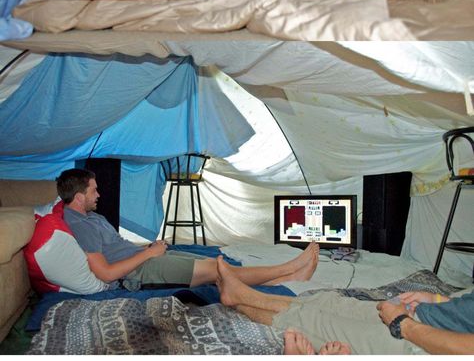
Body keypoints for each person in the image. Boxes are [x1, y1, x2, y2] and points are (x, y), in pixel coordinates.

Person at [57, 168, 320, 290]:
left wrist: (150, 248)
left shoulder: (93, 218)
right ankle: (290, 267)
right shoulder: (79, 224)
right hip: (139, 271)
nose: (99, 194)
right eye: (93, 190)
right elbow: (105, 272)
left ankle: (287, 279)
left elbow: (116, 248)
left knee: (215, 263)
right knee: (219, 270)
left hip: (144, 258)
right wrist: (149, 255)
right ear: (79, 196)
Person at [216, 255, 474, 355]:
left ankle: (238, 298)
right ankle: (239, 296)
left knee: (311, 319)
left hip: (428, 344)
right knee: (326, 300)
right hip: (429, 317)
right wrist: (441, 299)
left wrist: (401, 324)